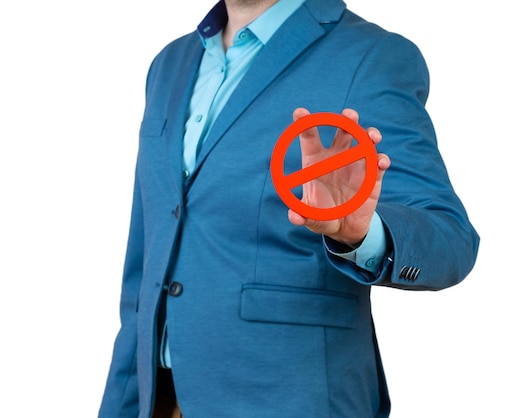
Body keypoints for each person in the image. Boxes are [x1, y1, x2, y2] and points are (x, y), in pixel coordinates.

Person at [98, 0, 480, 416]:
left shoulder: (370, 57)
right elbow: (146, 260)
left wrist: (360, 234)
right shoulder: (169, 64)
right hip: (161, 397)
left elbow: (450, 238)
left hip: (286, 399)